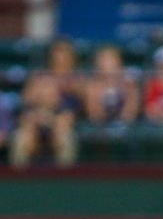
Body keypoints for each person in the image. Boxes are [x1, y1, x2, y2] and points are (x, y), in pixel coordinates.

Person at [10, 38, 83, 167]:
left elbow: (77, 108)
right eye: (57, 52)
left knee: (65, 137)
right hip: (37, 118)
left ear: (72, 56)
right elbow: (26, 102)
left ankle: (65, 181)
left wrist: (60, 92)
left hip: (63, 121)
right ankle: (18, 181)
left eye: (64, 52)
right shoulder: (40, 76)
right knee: (20, 137)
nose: (60, 56)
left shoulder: (78, 79)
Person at [84, 45, 140, 126]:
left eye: (111, 60)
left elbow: (131, 109)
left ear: (119, 62)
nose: (107, 64)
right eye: (104, 60)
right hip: (100, 127)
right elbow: (94, 113)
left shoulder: (129, 83)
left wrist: (123, 121)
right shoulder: (92, 85)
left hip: (126, 125)